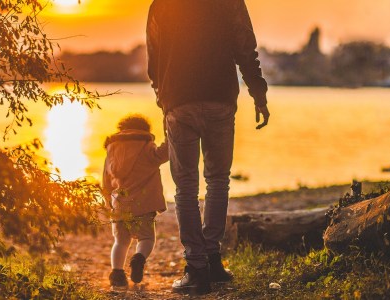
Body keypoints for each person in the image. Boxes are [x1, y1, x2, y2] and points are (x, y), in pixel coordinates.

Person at [146, 0, 271, 295]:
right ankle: (212, 258)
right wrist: (259, 95)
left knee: (186, 188)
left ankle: (197, 268)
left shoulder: (161, 5)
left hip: (179, 101)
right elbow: (245, 48)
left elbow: (154, 55)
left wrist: (162, 95)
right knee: (217, 180)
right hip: (219, 99)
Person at [102, 114, 169, 289]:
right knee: (146, 238)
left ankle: (117, 274)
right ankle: (139, 259)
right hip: (143, 205)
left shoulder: (111, 150)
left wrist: (108, 203)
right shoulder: (147, 147)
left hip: (119, 205)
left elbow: (105, 182)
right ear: (145, 131)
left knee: (121, 242)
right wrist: (170, 133)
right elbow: (165, 153)